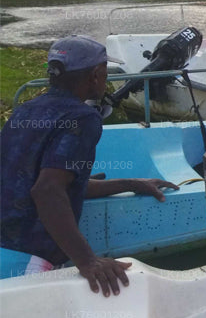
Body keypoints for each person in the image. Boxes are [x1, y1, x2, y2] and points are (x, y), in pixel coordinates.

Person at [1, 36, 179, 294]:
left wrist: (132, 184)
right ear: (95, 75)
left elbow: (43, 184)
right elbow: (47, 191)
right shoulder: (82, 118)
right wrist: (87, 261)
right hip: (27, 259)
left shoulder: (25, 111)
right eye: (105, 71)